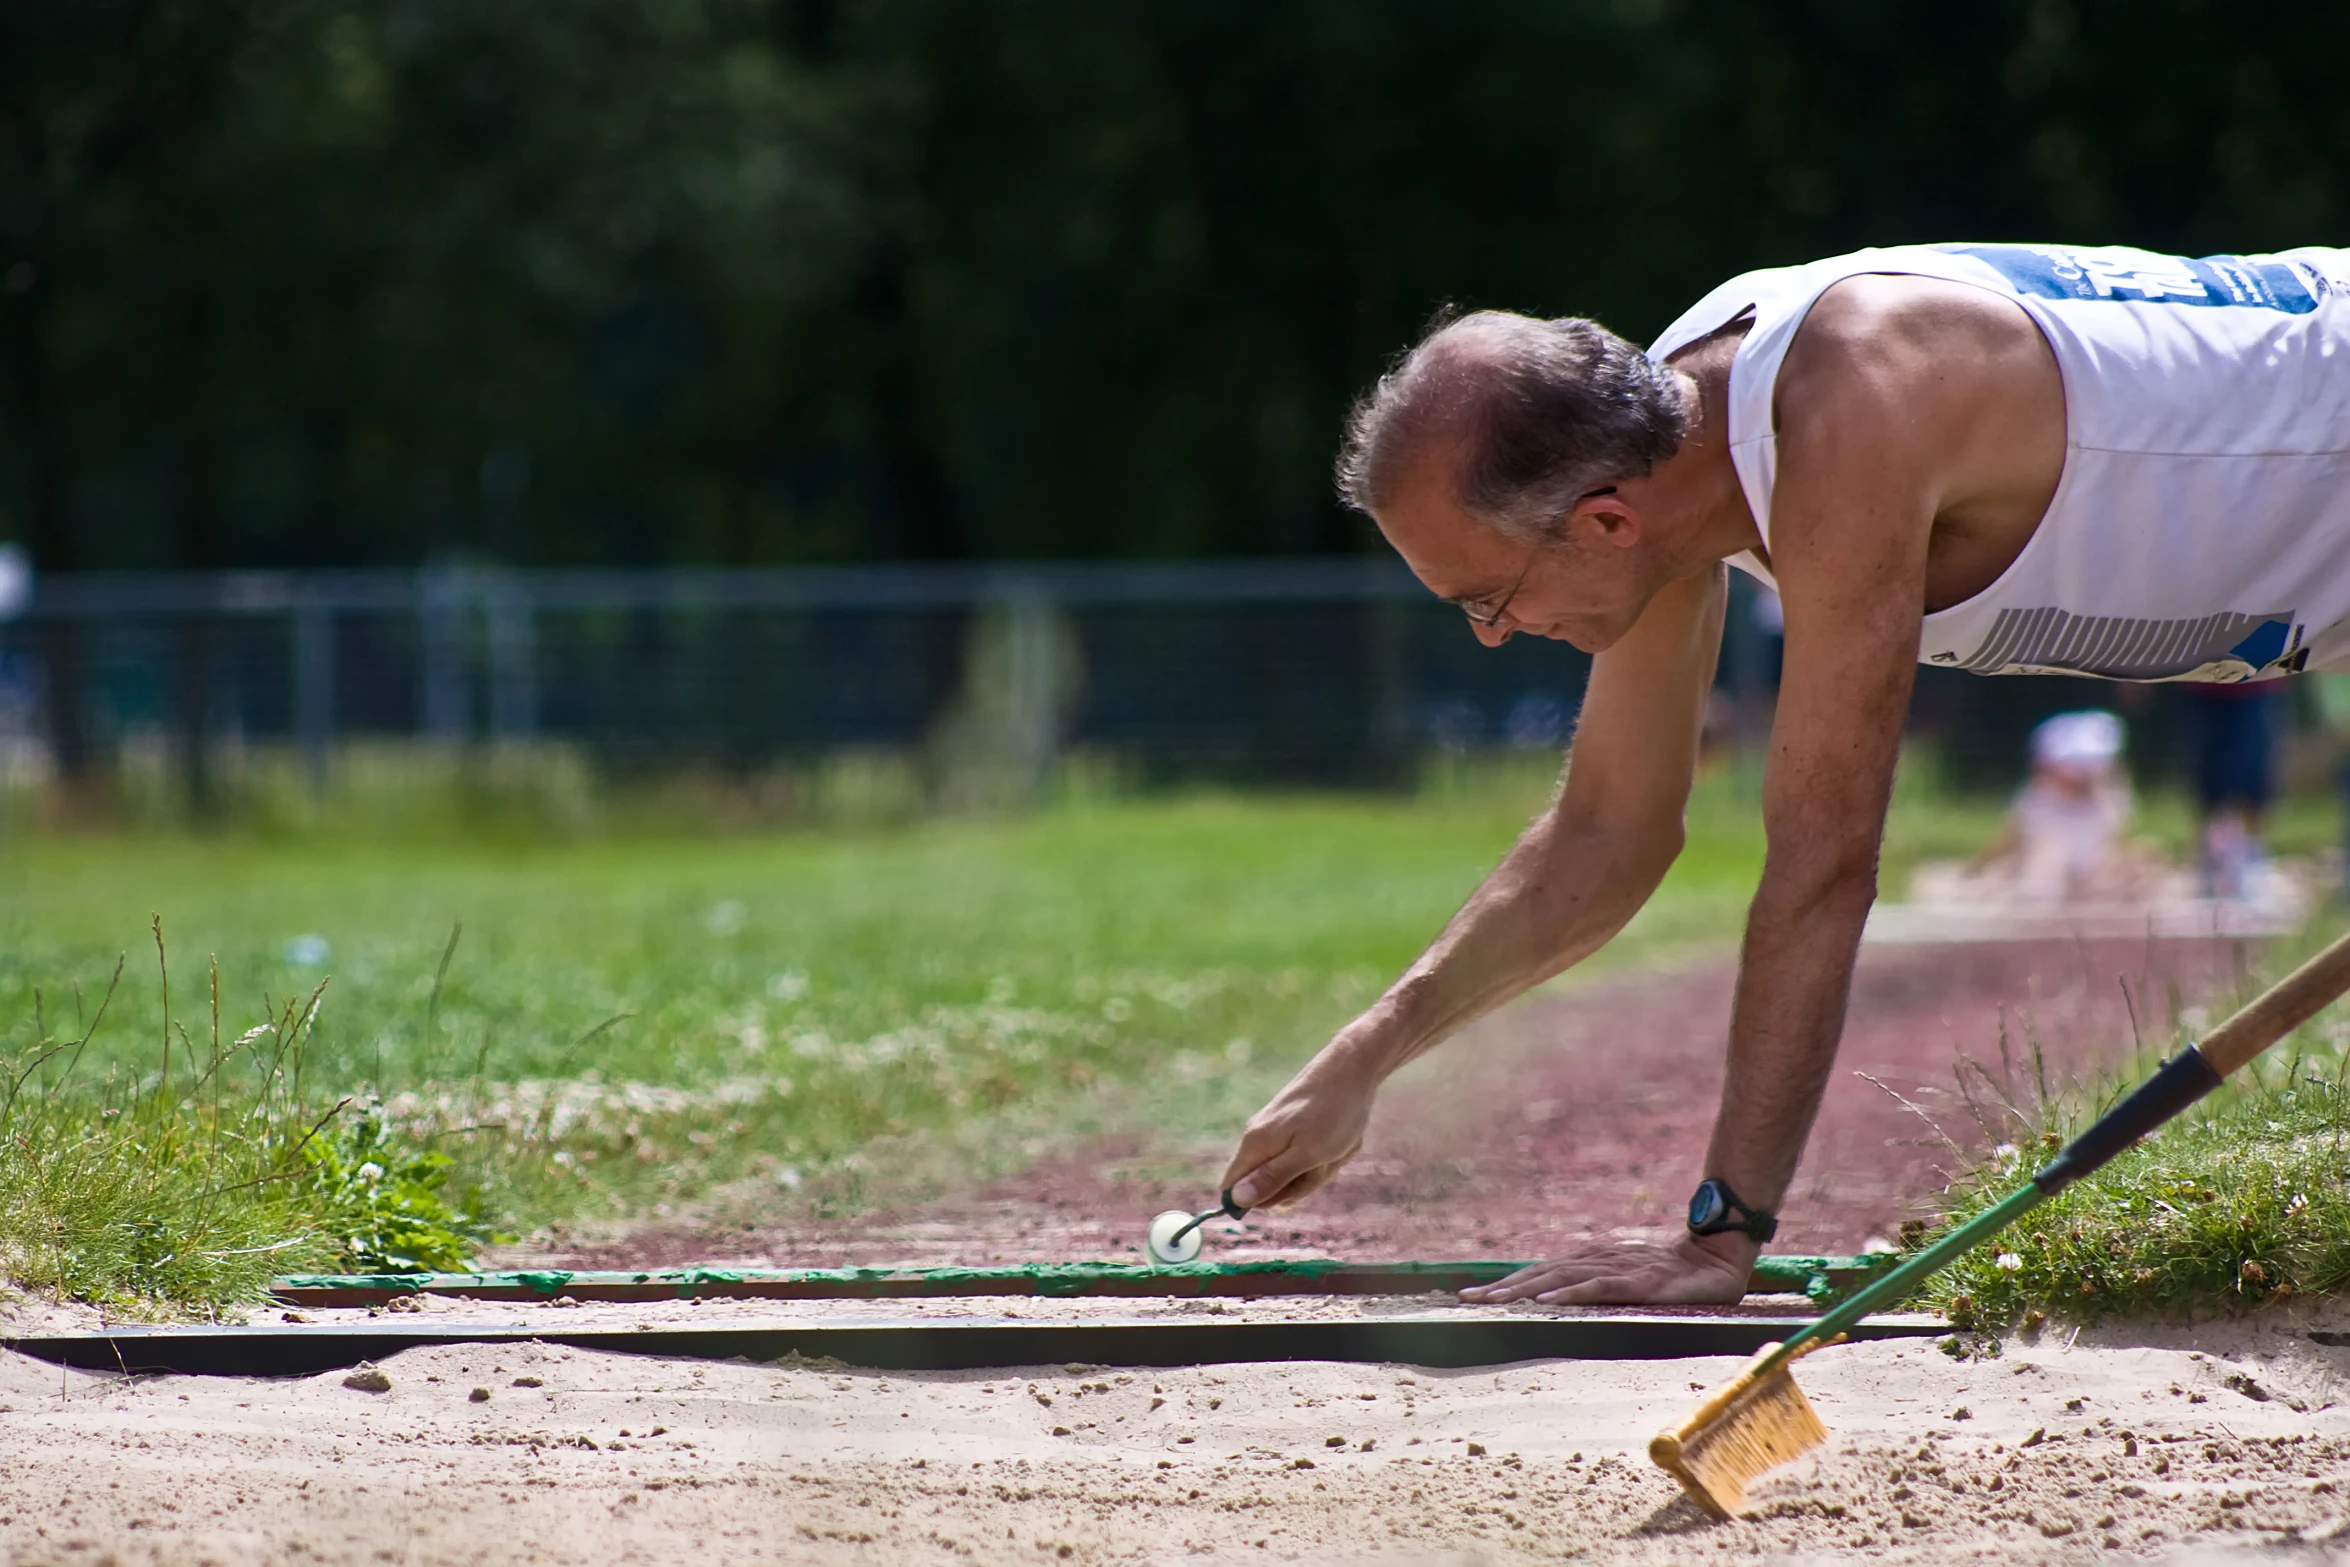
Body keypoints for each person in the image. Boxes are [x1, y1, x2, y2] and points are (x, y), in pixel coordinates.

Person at [1219, 243, 2350, 1305]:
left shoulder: (1847, 416)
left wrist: (1720, 1231)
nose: (1491, 637)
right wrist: (1364, 1058)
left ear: (1604, 521)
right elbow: (1608, 827)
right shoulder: (1671, 447)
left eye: (1488, 597)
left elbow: (1823, 859)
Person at [1959, 709, 2138, 903]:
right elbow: (2010, 838)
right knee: (2045, 864)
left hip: (2093, 871)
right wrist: (1978, 867)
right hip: (2050, 871)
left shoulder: (2107, 797)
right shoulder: (2038, 798)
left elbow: (2116, 838)